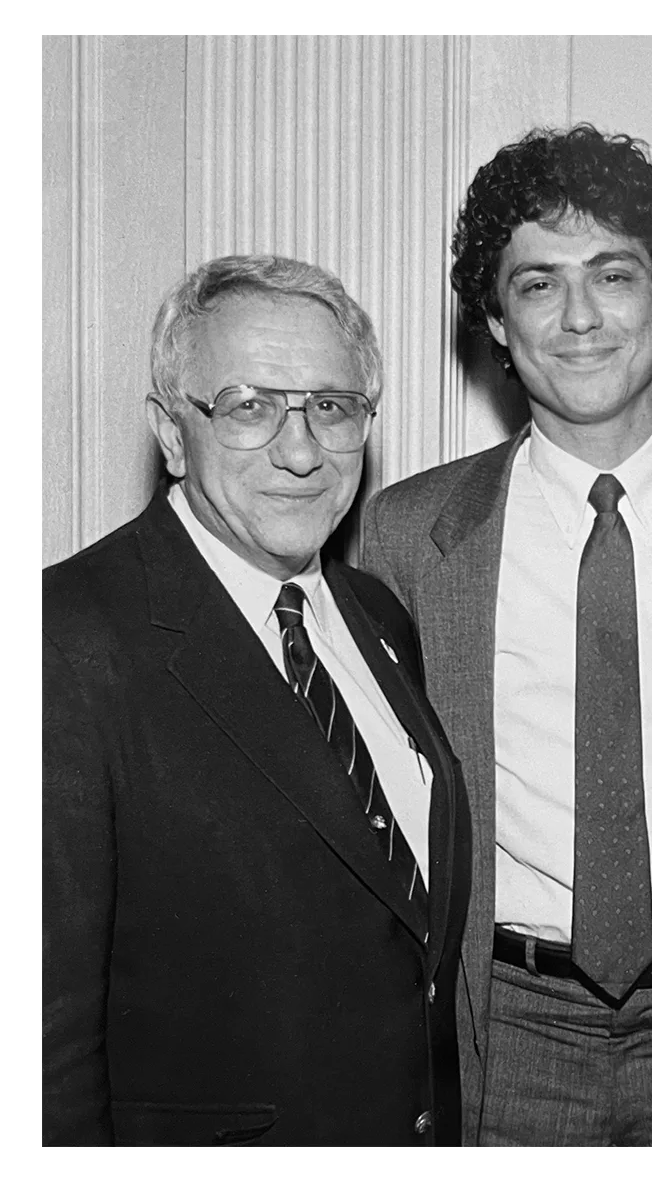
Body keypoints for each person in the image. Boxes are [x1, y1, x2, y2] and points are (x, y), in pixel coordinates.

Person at [360, 124, 652, 1145]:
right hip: (504, 1024)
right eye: (536, 284)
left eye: (612, 275)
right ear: (495, 322)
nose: (580, 317)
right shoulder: (406, 537)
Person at [43, 254, 471, 1145]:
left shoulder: (377, 616)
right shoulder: (64, 640)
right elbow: (43, 1046)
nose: (302, 449)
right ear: (170, 434)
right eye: (249, 407)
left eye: (331, 406)